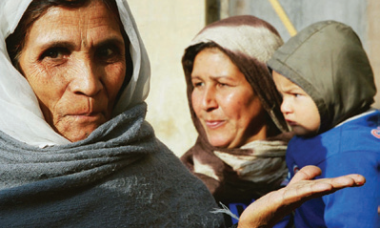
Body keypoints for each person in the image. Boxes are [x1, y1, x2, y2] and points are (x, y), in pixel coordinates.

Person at [0, 1, 367, 227]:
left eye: (108, 52)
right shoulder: (189, 174)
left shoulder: (161, 177)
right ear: (11, 71)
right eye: (54, 54)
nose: (89, 83)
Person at [180, 15, 294, 227]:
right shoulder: (174, 187)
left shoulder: (312, 168)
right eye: (198, 84)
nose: (205, 103)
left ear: (265, 89)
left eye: (222, 84)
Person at [268, 20, 380, 227]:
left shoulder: (347, 157)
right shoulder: (345, 127)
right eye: (281, 96)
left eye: (296, 95)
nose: (285, 107)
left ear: (336, 89)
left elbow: (355, 221)